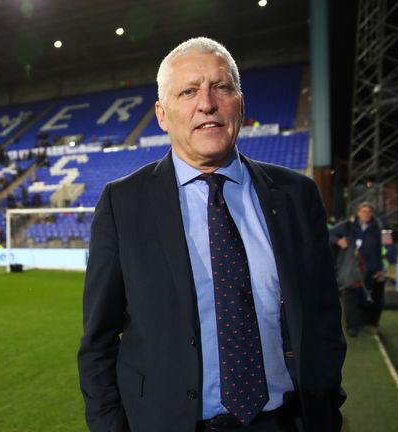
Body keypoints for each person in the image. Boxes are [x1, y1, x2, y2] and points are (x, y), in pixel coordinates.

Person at [77, 37, 346, 432]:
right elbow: (98, 341)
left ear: (240, 102)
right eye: (188, 91)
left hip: (285, 421)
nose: (206, 103)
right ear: (162, 114)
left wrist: (326, 406)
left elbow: (324, 317)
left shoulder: (295, 195)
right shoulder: (123, 203)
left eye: (221, 87)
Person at [329, 203, 386, 335]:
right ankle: (352, 327)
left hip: (371, 267)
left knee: (368, 296)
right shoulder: (348, 226)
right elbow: (329, 234)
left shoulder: (377, 227)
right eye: (363, 211)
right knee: (351, 296)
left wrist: (380, 268)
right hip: (352, 268)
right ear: (358, 213)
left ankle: (367, 323)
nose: (366, 214)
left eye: (369, 212)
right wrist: (338, 241)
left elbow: (380, 249)